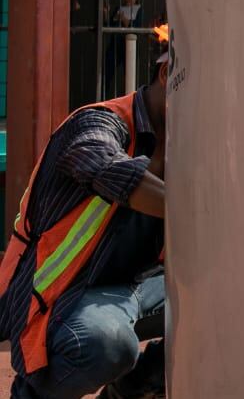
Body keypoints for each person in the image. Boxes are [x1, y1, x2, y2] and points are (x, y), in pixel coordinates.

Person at [1, 33, 170, 398]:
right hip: (68, 289)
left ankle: (130, 389)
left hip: (142, 284)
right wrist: (202, 213)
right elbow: (104, 167)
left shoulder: (187, 142)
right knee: (107, 345)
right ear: (168, 74)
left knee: (236, 301)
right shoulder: (96, 124)